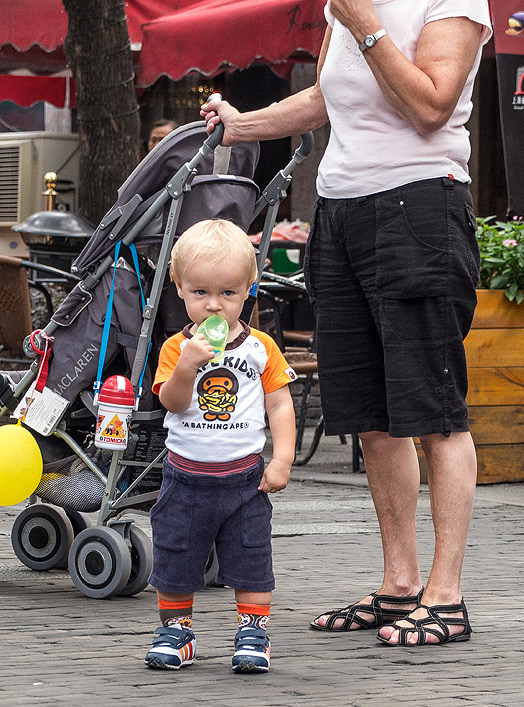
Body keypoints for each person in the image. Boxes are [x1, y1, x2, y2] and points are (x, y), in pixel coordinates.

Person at [202, 0, 492, 647]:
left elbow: (431, 106)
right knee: (368, 414)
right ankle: (399, 584)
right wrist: (238, 126)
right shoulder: (346, 10)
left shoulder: (447, 2)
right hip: (339, 212)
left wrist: (366, 25)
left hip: (418, 205)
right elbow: (321, 103)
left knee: (434, 408)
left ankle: (446, 595)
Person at [144, 218, 296, 673]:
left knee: (251, 555)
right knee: (176, 552)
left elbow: (280, 405)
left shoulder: (261, 347)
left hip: (245, 477)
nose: (214, 305)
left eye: (228, 293)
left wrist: (283, 458)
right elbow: (169, 402)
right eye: (200, 293)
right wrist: (188, 366)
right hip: (185, 475)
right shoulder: (177, 346)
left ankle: (253, 631)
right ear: (179, 287)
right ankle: (177, 631)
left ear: (249, 288)